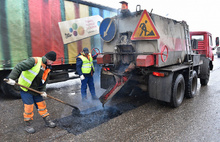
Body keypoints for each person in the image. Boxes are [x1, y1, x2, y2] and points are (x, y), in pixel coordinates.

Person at [6, 51, 57, 134]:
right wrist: (12, 78)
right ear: (48, 59)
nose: (52, 63)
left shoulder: (48, 67)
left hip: (37, 90)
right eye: (52, 61)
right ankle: (28, 125)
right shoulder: (34, 61)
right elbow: (19, 66)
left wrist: (43, 91)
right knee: (28, 107)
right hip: (26, 89)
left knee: (42, 105)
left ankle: (47, 120)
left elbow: (44, 80)